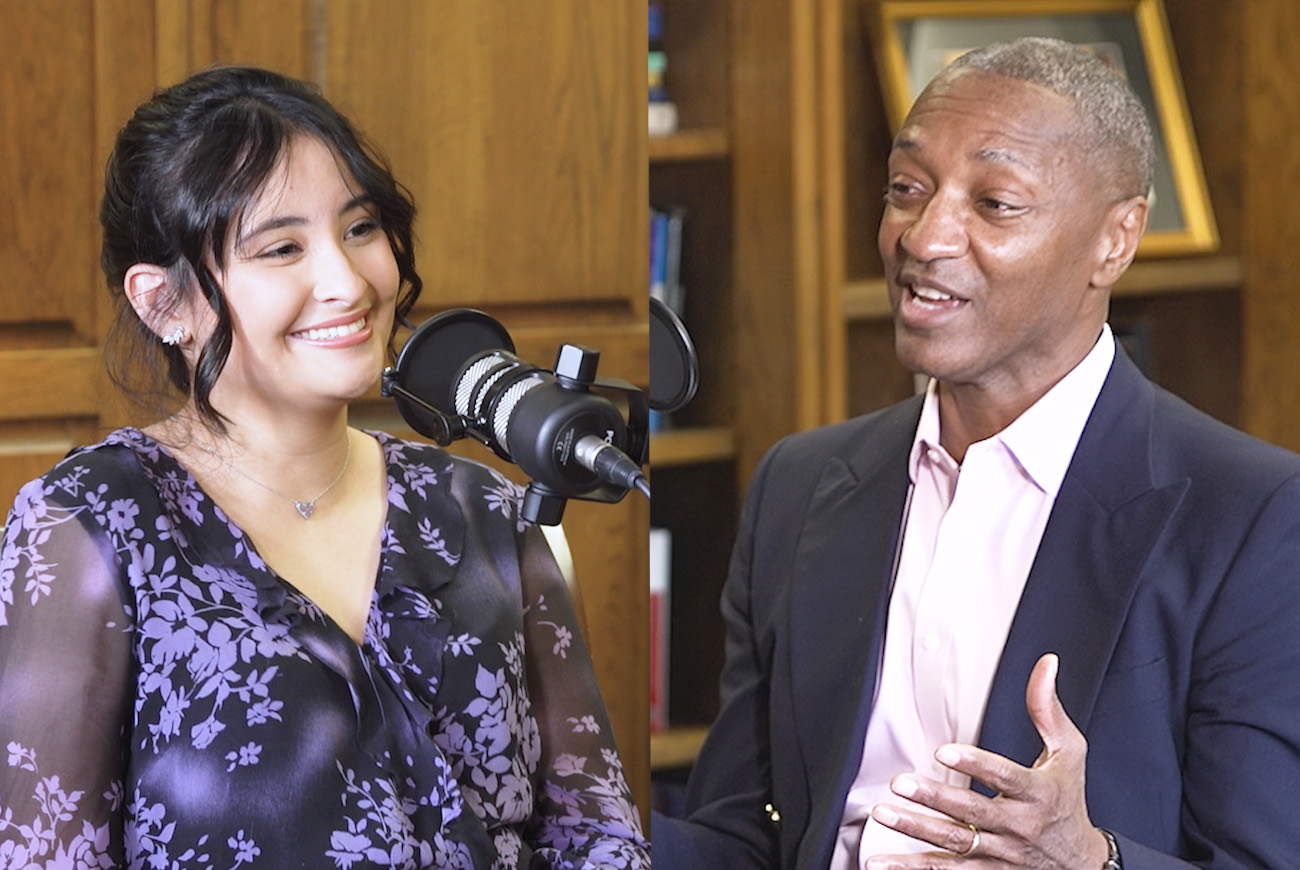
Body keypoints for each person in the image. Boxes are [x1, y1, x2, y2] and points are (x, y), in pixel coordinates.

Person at [651, 37, 1300, 870]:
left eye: (995, 203)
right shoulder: (800, 482)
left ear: (1116, 239)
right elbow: (745, 837)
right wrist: (555, 816)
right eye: (906, 190)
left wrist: (1089, 860)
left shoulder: (1253, 516)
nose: (923, 238)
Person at [0, 66, 648, 869]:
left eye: (360, 229)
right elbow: (46, 854)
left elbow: (598, 834)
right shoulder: (91, 523)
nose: (347, 283)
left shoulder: (486, 510)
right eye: (281, 248)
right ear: (166, 304)